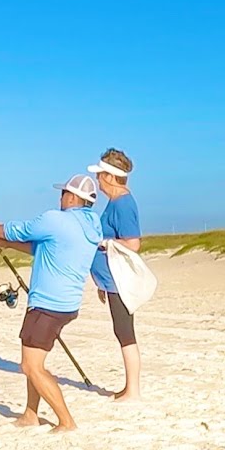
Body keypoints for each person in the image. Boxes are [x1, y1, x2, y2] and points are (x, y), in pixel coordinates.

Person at [0, 173, 103, 433]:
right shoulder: (91, 226)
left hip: (47, 304)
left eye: (63, 193)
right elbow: (40, 247)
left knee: (30, 366)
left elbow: (19, 229)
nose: (60, 198)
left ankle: (66, 421)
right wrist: (5, 244)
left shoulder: (55, 220)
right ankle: (30, 415)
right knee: (35, 362)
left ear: (72, 197)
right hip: (66, 304)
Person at [87, 148, 143, 402]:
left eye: (100, 175)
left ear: (110, 176)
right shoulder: (115, 202)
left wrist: (103, 243)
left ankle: (133, 391)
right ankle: (129, 387)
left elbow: (133, 243)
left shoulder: (123, 203)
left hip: (119, 279)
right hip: (110, 280)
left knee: (125, 331)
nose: (97, 180)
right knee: (121, 330)